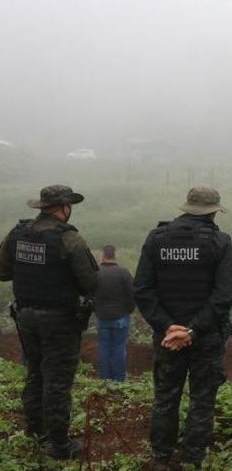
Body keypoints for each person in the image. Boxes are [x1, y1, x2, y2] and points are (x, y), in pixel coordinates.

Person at [134, 186, 232, 469]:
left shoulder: (156, 238)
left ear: (186, 208)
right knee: (202, 400)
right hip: (206, 338)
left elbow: (143, 290)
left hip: (167, 339)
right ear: (214, 211)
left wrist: (169, 327)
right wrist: (192, 330)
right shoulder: (220, 242)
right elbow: (224, 295)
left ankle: (161, 458)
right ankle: (193, 460)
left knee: (166, 397)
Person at [0, 185, 98, 459]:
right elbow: (91, 282)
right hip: (59, 320)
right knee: (57, 381)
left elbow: (3, 271)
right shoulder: (70, 239)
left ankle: (35, 430)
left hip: (26, 316)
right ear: (64, 208)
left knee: (35, 373)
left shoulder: (18, 233)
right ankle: (58, 445)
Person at [93, 245, 135, 381]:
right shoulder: (124, 273)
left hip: (102, 317)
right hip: (121, 317)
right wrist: (129, 310)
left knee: (104, 348)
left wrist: (97, 310)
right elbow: (132, 294)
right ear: (114, 255)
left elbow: (90, 294)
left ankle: (105, 379)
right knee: (119, 347)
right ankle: (119, 380)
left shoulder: (96, 274)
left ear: (103, 255)